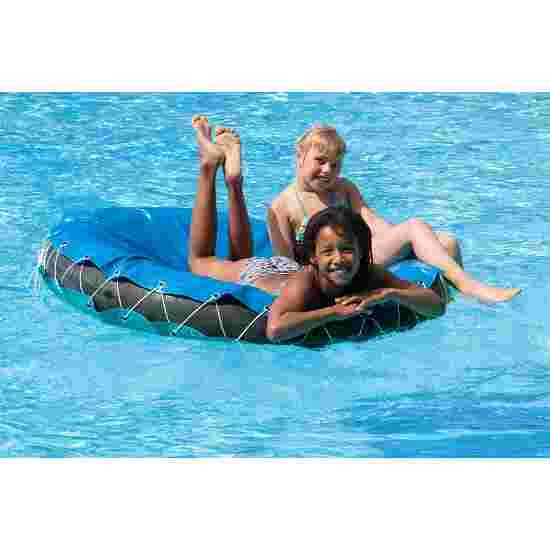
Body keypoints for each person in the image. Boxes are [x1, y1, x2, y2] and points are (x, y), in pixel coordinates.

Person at [189, 115, 444, 343]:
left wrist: (390, 293)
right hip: (264, 273)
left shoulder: (370, 274)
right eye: (328, 252)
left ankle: (233, 182)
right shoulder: (306, 284)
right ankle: (210, 167)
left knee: (237, 255)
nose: (339, 259)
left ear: (361, 251)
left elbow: (436, 305)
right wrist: (332, 313)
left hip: (287, 267)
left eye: (347, 250)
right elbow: (275, 329)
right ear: (313, 256)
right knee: (201, 261)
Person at [268, 125, 521, 303]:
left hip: (361, 253)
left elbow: (372, 222)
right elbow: (285, 263)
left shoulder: (344, 188)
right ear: (300, 156)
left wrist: (408, 240)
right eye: (320, 161)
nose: (327, 171)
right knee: (414, 226)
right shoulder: (282, 206)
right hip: (334, 267)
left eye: (335, 165)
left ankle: (445, 302)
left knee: (447, 242)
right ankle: (471, 287)